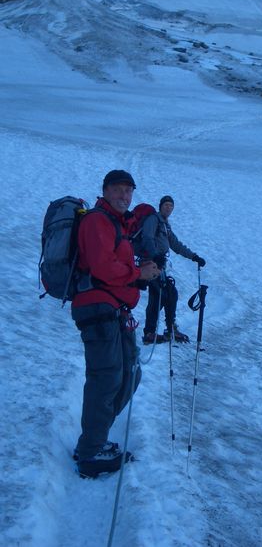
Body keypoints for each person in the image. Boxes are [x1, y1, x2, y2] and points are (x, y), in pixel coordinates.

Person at [71, 169, 160, 478]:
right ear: (105, 191)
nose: (125, 196)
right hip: (97, 309)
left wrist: (141, 272)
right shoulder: (97, 220)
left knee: (129, 375)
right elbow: (102, 266)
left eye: (129, 191)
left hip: (114, 310)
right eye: (119, 190)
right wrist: (138, 275)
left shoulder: (117, 225)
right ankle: (90, 452)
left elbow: (115, 266)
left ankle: (92, 441)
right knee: (106, 377)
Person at [139, 195, 205, 344]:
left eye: (171, 206)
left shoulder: (165, 225)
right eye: (166, 205)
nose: (168, 208)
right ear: (160, 206)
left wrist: (194, 257)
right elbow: (147, 238)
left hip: (158, 264)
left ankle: (158, 331)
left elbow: (175, 244)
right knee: (164, 294)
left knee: (163, 295)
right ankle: (161, 331)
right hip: (150, 264)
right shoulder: (153, 220)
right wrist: (155, 256)